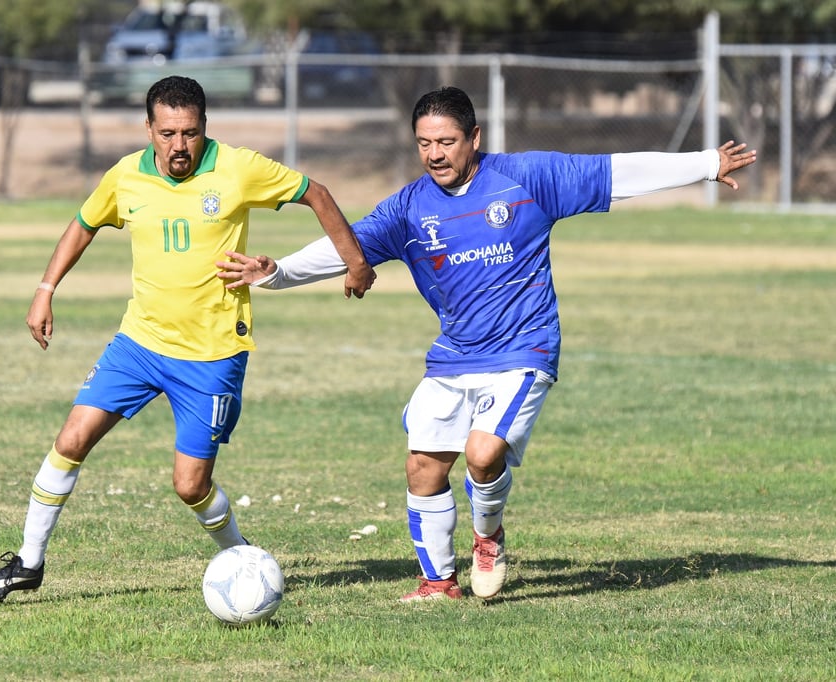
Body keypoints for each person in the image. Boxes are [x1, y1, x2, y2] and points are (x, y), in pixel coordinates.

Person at [217, 86, 756, 602]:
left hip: (524, 349)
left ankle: (488, 537)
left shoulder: (527, 178)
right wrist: (278, 271)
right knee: (424, 467)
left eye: (446, 142)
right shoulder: (409, 208)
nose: (434, 154)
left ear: (474, 137)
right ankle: (438, 583)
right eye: (424, 143)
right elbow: (348, 244)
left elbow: (616, 170)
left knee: (481, 453)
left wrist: (706, 164)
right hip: (455, 355)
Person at [0, 75, 375, 602]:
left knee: (190, 486)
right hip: (138, 344)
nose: (178, 146)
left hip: (211, 356)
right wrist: (45, 289)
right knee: (70, 441)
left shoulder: (238, 168)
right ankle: (28, 562)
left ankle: (240, 555)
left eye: (189, 132)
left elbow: (314, 193)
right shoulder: (126, 176)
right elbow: (83, 224)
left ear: (204, 127)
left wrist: (356, 262)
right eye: (167, 133)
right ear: (149, 129)